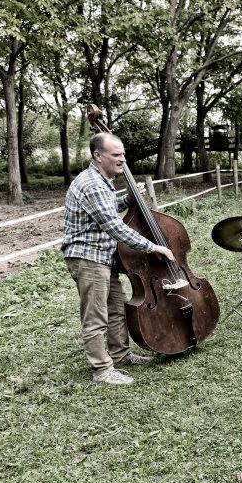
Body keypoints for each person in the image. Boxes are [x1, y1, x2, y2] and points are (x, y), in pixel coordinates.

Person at [62, 133, 175, 385]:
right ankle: (102, 370)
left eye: (123, 154)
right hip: (89, 258)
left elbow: (108, 207)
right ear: (98, 156)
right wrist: (152, 246)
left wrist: (127, 200)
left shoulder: (101, 181)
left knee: (117, 308)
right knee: (96, 317)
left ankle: (120, 355)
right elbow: (115, 227)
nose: (123, 159)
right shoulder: (92, 184)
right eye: (116, 154)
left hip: (103, 257)